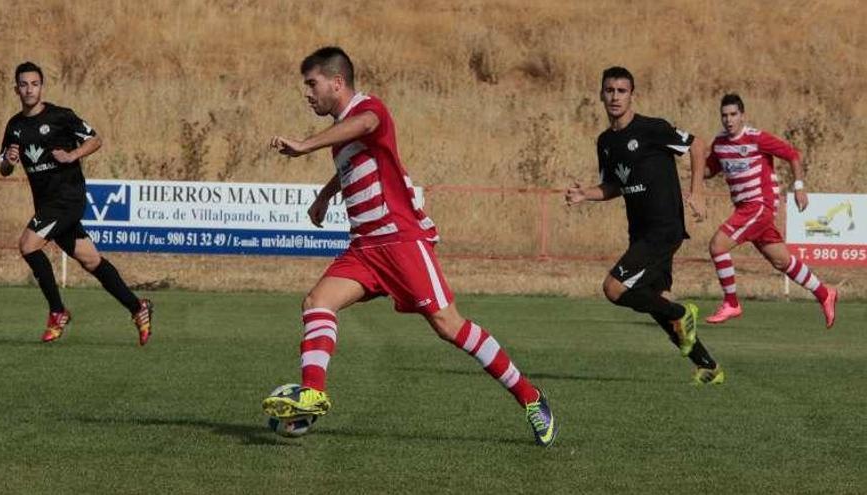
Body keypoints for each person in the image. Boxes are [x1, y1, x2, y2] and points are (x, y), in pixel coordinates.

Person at [261, 46, 557, 447]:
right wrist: (326, 195)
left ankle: (531, 398)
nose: (307, 94)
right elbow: (353, 157)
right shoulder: (343, 133)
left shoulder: (370, 109)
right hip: (365, 249)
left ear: (337, 82)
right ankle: (312, 394)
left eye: (312, 84)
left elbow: (365, 125)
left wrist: (304, 144)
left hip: (400, 241)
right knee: (316, 302)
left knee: (448, 325)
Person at [565, 66, 724, 385]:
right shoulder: (606, 142)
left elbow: (697, 145)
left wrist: (697, 192)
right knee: (658, 298)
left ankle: (682, 314)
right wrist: (587, 194)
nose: (615, 96)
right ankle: (708, 366)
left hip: (663, 228)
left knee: (613, 288)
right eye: (609, 90)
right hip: (640, 231)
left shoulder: (652, 128)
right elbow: (614, 186)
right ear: (601, 94)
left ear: (632, 95)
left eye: (621, 91)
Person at [0, 61, 153, 345]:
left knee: (28, 244)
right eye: (23, 84)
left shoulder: (60, 116)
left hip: (68, 199)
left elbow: (95, 139)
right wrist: (7, 162)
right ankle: (137, 307)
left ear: (41, 86)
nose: (29, 89)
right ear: (16, 89)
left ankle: (57, 311)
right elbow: (3, 166)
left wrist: (72, 155)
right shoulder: (15, 126)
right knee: (90, 259)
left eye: (34, 83)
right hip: (46, 205)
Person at [703, 93, 837, 327]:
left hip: (759, 205)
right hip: (746, 208)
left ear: (742, 115)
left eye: (733, 114)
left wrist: (799, 187)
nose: (729, 119)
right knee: (781, 261)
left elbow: (792, 155)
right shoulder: (720, 144)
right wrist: (686, 162)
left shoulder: (756, 138)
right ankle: (825, 294)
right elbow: (709, 170)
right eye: (724, 115)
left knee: (718, 245)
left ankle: (732, 303)